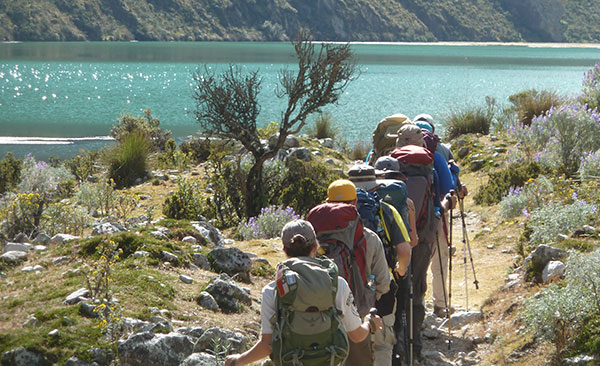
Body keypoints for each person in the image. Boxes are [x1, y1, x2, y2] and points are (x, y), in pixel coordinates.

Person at [225, 219, 383, 366]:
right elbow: (356, 335)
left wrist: (238, 360)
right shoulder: (337, 284)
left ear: (284, 250)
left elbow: (267, 345)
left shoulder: (273, 289)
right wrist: (370, 324)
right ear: (315, 247)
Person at [347, 164, 412, 366]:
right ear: (375, 187)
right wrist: (400, 271)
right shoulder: (387, 210)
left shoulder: (329, 218)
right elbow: (404, 250)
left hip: (343, 292)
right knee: (383, 344)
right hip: (380, 291)